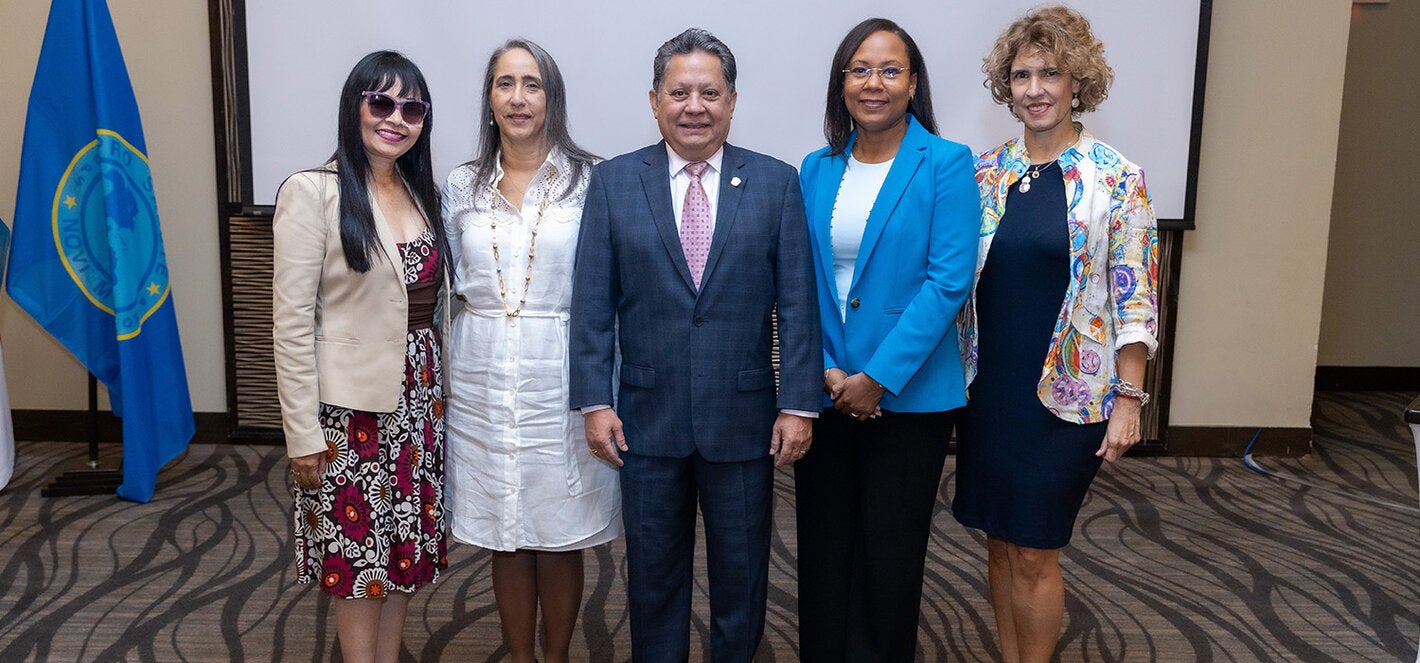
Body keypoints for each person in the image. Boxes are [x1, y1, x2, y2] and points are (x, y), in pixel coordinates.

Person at [568, 28, 821, 662]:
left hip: (744, 421)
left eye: (710, 92)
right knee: (653, 579)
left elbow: (796, 305)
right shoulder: (616, 182)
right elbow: (593, 304)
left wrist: (798, 404)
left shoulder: (775, 183)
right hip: (645, 421)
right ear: (654, 100)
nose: (694, 106)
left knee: (742, 580)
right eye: (679, 92)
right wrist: (594, 402)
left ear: (732, 101)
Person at [953, 6, 1159, 663]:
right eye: (1021, 75)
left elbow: (1136, 296)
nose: (1035, 88)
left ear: (1078, 83)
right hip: (989, 391)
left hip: (1069, 397)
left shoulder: (1116, 178)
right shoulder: (984, 175)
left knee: (1037, 545)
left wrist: (1130, 399)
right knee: (1000, 537)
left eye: (1051, 73)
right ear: (1005, 87)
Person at [793, 18, 980, 662]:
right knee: (822, 549)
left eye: (890, 70)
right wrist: (821, 368)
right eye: (860, 70)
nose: (874, 83)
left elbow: (949, 280)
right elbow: (799, 283)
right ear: (841, 82)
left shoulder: (948, 164)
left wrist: (877, 376)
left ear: (913, 82)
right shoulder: (815, 169)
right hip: (824, 391)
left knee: (889, 555)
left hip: (908, 397)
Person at [441, 39, 620, 663]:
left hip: (563, 371)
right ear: (489, 99)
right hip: (480, 371)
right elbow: (442, 291)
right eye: (505, 84)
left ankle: (559, 655)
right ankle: (520, 657)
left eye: (532, 84)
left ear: (552, 98)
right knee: (504, 531)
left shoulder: (592, 180)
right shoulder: (461, 184)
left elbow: (610, 286)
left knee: (557, 529)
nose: (518, 98)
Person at [272, 51, 450, 663]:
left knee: (402, 552)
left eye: (412, 107)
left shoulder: (420, 190)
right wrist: (301, 434)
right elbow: (292, 323)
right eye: (381, 102)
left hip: (420, 401)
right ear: (355, 107)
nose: (395, 118)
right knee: (358, 559)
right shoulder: (313, 192)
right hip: (349, 416)